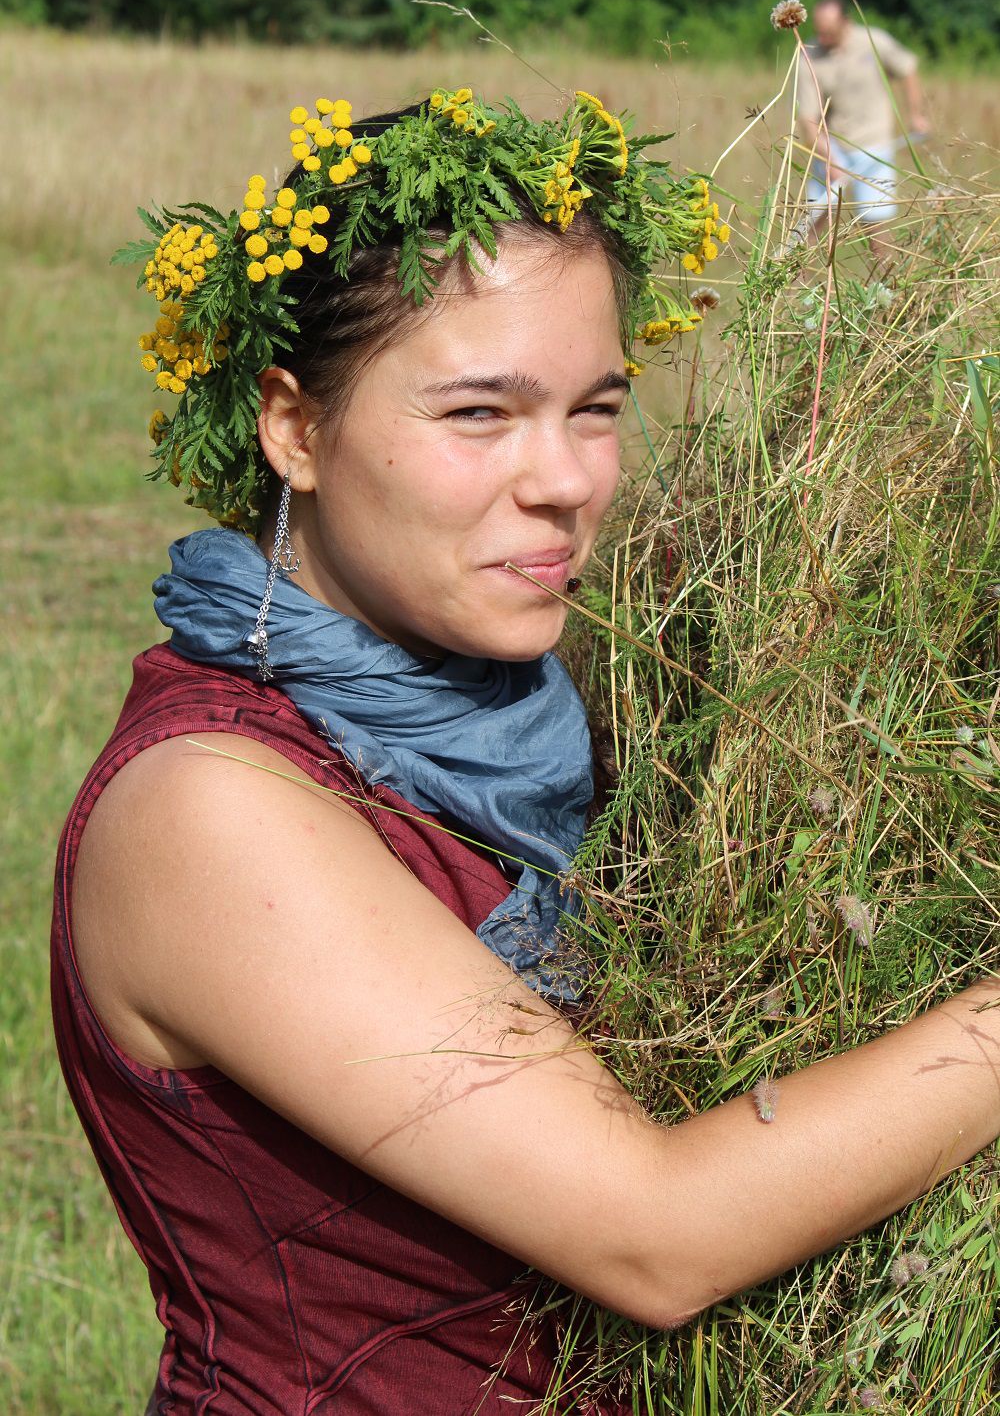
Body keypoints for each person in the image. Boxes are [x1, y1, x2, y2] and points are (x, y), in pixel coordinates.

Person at [52, 86, 999, 1415]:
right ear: (295, 428)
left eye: (596, 407)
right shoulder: (215, 810)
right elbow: (659, 1233)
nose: (565, 480)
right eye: (480, 416)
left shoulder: (529, 712)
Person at [797, 0, 928, 257]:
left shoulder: (873, 40)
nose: (823, 39)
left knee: (877, 227)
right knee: (812, 224)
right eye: (819, 32)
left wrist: (917, 115)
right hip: (834, 148)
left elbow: (908, 67)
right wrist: (829, 157)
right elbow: (808, 117)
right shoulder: (809, 55)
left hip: (875, 145)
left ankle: (890, 291)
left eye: (829, 33)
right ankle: (791, 291)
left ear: (845, 22)